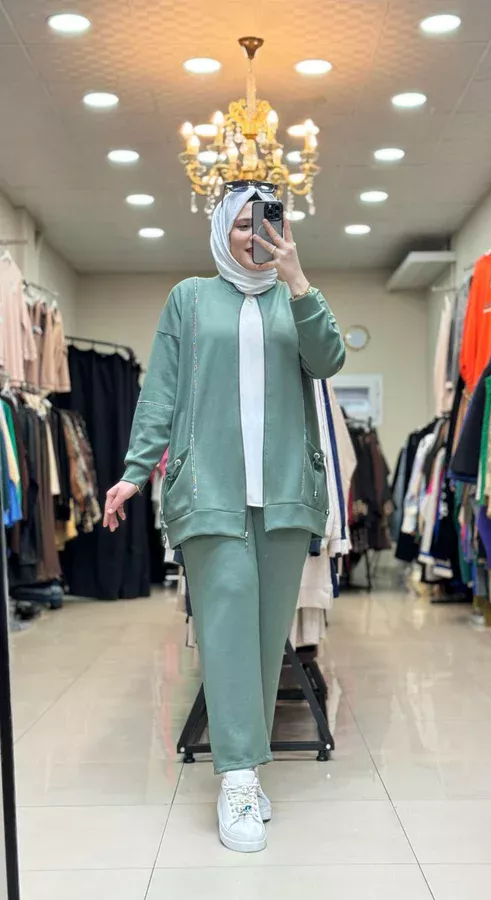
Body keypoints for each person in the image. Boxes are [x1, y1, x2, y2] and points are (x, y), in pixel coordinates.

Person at [103, 182, 345, 853]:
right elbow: (161, 392)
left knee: (266, 641)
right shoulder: (189, 299)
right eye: (241, 224)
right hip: (210, 491)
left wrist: (298, 281)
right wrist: (133, 471)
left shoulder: (294, 298)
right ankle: (236, 777)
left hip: (286, 493)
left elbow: (328, 359)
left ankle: (246, 765)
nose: (254, 235)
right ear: (219, 230)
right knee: (227, 629)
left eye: (265, 223)